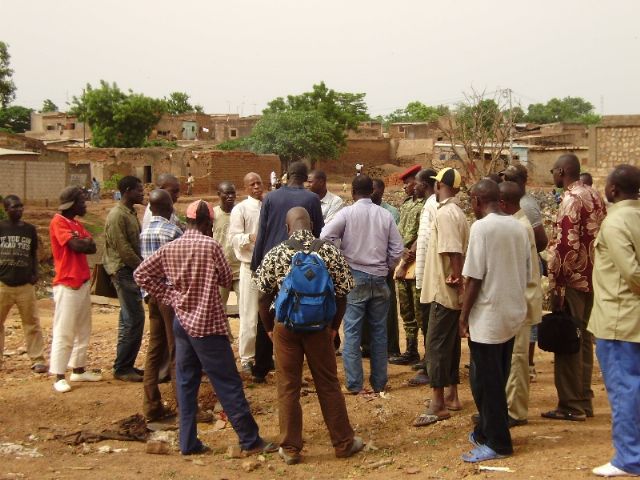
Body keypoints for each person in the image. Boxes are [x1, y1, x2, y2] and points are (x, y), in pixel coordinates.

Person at [134, 200, 275, 456]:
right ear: (207, 223)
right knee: (228, 383)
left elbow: (141, 274)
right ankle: (250, 440)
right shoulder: (210, 246)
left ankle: (188, 443)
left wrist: (170, 296)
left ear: (187, 221)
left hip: (182, 323)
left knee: (186, 383)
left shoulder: (171, 247)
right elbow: (224, 277)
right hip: (208, 325)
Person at [255, 207, 363, 464]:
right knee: (328, 384)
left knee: (288, 386)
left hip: (286, 329)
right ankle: (343, 443)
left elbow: (262, 295)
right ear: (312, 224)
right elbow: (342, 293)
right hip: (319, 329)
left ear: (287, 226)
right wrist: (333, 327)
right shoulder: (329, 251)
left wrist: (270, 328)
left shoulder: (277, 253)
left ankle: (291, 448)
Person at [459, 179, 530, 463]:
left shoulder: (481, 228)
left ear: (477, 200)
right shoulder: (517, 225)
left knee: (486, 382)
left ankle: (499, 443)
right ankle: (485, 431)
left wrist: (463, 317)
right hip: (511, 312)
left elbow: (474, 278)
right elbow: (526, 270)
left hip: (488, 317)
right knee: (495, 378)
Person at [321, 175, 403, 394]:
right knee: (378, 332)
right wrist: (387, 266)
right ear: (371, 191)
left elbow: (325, 235)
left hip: (354, 277)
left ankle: (355, 384)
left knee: (352, 333)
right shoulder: (385, 215)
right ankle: (379, 383)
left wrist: (340, 256)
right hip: (379, 278)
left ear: (353, 192)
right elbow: (397, 249)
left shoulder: (347, 213)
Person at [543, 153, 605, 422]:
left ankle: (570, 404)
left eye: (554, 171)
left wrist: (556, 285)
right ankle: (583, 398)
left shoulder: (570, 199)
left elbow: (567, 247)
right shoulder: (594, 195)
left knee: (568, 338)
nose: (552, 176)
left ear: (563, 171)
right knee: (584, 339)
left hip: (573, 281)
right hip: (594, 278)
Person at [250, 161, 324, 383]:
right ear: (304, 177)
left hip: (272, 261)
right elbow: (317, 232)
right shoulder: (311, 199)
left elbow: (261, 232)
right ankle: (298, 367)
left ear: (287, 175)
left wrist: (257, 265)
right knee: (298, 309)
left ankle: (261, 368)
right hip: (300, 264)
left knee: (266, 311)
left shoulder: (271, 198)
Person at [589, 165, 640, 478]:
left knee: (623, 390)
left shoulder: (615, 223)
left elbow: (632, 272)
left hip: (618, 319)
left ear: (613, 190)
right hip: (630, 319)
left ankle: (629, 458)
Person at [415, 167, 469, 426]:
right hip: (447, 289)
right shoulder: (456, 212)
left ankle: (438, 403)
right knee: (448, 345)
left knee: (435, 344)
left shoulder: (445, 213)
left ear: (438, 186)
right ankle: (452, 395)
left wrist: (457, 282)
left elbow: (452, 251)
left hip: (442, 290)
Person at [49, 187, 102, 392]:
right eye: (81, 200)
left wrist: (83, 241)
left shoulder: (76, 224)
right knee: (64, 330)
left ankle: (78, 370)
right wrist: (82, 241)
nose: (85, 204)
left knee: (83, 329)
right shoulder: (58, 222)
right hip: (67, 282)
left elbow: (92, 246)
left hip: (81, 281)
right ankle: (59, 374)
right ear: (71, 203)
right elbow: (78, 246)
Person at [499, 181, 543, 427]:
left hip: (522, 301)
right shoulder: (520, 224)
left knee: (517, 359)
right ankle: (510, 406)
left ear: (504, 203)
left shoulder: (520, 227)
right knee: (514, 358)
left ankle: (516, 412)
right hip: (520, 300)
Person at [500, 164, 548, 382]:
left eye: (508, 178)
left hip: (526, 263)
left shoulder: (526, 205)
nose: (504, 181)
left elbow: (541, 239)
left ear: (519, 181)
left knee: (528, 318)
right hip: (518, 262)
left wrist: (525, 252)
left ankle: (527, 365)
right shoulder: (513, 203)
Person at [140, 190, 183, 421]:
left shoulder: (144, 232)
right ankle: (182, 405)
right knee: (176, 349)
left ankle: (151, 404)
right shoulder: (173, 231)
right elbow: (177, 269)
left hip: (151, 295)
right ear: (168, 207)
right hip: (169, 296)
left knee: (154, 350)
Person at [104, 175, 146, 382]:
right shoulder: (116, 216)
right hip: (123, 271)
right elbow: (124, 249)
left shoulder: (130, 213)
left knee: (128, 320)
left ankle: (124, 364)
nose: (142, 192)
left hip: (129, 271)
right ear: (128, 191)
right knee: (134, 319)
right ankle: (122, 368)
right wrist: (143, 267)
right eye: (139, 189)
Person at [0, 195, 46, 373]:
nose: (18, 210)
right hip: (3, 284)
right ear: (6, 209)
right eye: (14, 207)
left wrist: (35, 273)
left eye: (20, 206)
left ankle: (37, 359)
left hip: (25, 285)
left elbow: (33, 254)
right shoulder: (1, 227)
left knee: (32, 323)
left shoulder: (29, 229)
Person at [390, 165, 426, 366]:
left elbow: (421, 235)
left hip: (414, 262)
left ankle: (427, 353)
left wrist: (406, 258)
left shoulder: (425, 205)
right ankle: (411, 351)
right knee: (406, 311)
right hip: (402, 262)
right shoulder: (406, 204)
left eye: (407, 182)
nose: (404, 186)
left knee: (420, 310)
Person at [229, 172, 263, 375]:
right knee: (249, 315)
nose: (257, 187)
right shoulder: (240, 209)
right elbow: (233, 237)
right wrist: (250, 237)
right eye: (252, 184)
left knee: (268, 314)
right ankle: (247, 357)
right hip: (249, 266)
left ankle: (265, 356)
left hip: (267, 267)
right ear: (246, 188)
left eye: (259, 183)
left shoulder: (268, 205)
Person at [410, 169, 438, 386]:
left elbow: (428, 241)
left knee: (429, 323)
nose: (414, 186)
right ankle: (429, 362)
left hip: (430, 275)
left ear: (425, 184)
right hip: (426, 274)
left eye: (417, 182)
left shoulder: (431, 205)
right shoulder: (431, 204)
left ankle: (431, 368)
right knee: (427, 321)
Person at [367, 178, 400, 357]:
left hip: (384, 267)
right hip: (366, 266)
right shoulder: (361, 211)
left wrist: (391, 265)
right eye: (370, 191)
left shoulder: (390, 212)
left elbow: (395, 242)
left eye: (375, 191)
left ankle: (391, 348)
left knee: (388, 309)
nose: (372, 194)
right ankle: (367, 346)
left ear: (382, 192)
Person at [214, 182, 241, 315]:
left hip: (239, 268)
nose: (230, 196)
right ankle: (226, 336)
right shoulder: (214, 214)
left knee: (245, 307)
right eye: (227, 193)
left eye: (233, 193)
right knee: (218, 309)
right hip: (220, 269)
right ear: (219, 195)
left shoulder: (240, 212)